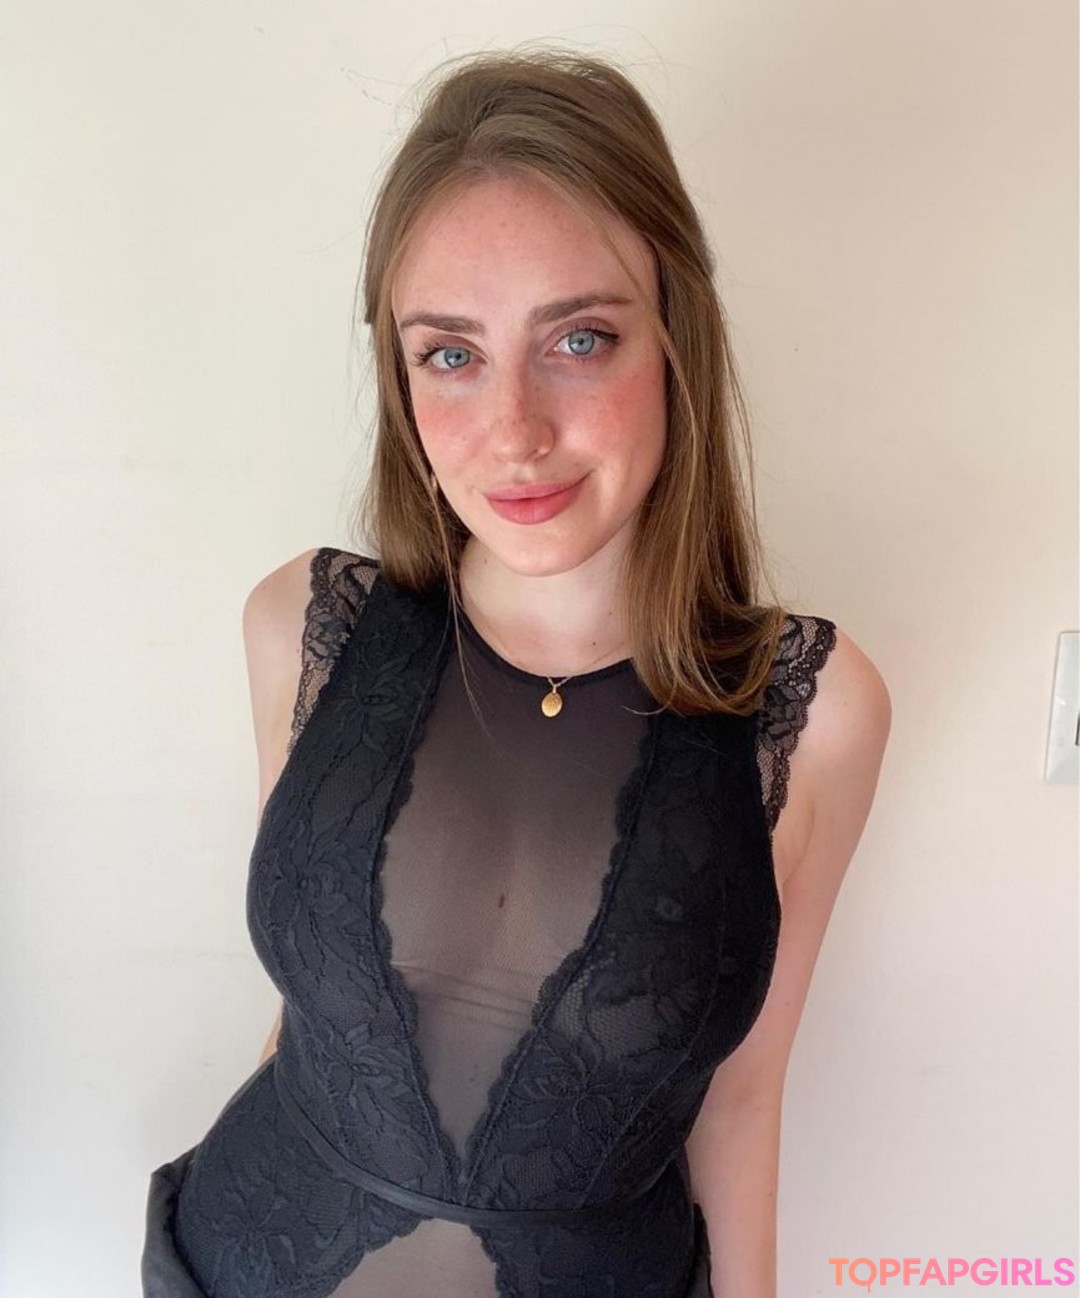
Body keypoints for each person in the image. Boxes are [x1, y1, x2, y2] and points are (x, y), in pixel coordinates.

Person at [142, 47, 891, 1298]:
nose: (515, 431)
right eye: (451, 354)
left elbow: (742, 1100)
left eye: (580, 338)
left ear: (677, 340)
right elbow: (313, 1019)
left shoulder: (808, 711)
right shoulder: (307, 628)